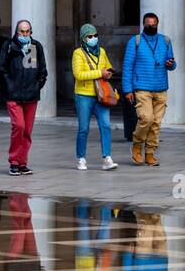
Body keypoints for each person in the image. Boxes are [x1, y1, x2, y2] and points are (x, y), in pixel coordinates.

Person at [122, 12, 175, 166]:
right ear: (143, 24)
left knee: (156, 123)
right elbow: (127, 67)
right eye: (148, 23)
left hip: (161, 87)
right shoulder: (135, 41)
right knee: (146, 118)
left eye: (154, 23)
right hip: (142, 88)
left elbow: (172, 63)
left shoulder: (165, 41)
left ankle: (150, 152)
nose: (151, 25)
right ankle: (137, 145)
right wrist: (127, 90)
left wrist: (171, 64)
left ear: (157, 24)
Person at [0, 19, 48, 176]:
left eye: (27, 31)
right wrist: (9, 86)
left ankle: (22, 163)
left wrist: (36, 86)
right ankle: (14, 161)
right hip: (13, 95)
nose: (25, 34)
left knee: (27, 131)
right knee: (18, 126)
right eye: (22, 31)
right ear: (17, 32)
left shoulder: (35, 47)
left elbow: (42, 70)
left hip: (31, 96)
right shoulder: (9, 46)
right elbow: (1, 69)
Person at [71, 22, 118, 171]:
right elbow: (78, 74)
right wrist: (99, 73)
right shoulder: (78, 53)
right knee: (83, 128)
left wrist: (108, 73)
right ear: (84, 38)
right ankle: (81, 158)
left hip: (101, 95)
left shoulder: (102, 51)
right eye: (90, 36)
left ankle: (107, 158)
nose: (93, 38)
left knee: (105, 126)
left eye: (95, 35)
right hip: (84, 95)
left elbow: (107, 67)